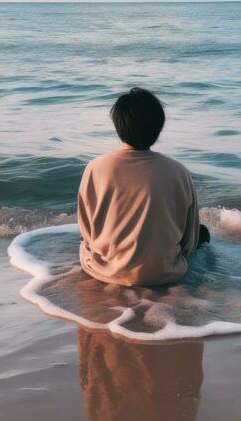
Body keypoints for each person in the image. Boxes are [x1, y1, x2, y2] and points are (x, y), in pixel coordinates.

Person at [77, 87, 209, 288]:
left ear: (118, 127)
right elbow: (188, 240)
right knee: (203, 232)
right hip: (166, 274)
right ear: (158, 127)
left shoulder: (96, 167)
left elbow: (87, 231)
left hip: (107, 272)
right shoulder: (179, 171)